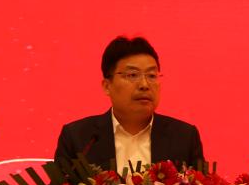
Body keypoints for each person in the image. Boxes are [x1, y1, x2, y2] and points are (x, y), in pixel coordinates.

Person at [54, 36, 204, 173]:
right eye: (132, 75)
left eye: (152, 76)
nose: (144, 85)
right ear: (107, 86)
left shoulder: (184, 138)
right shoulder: (79, 138)